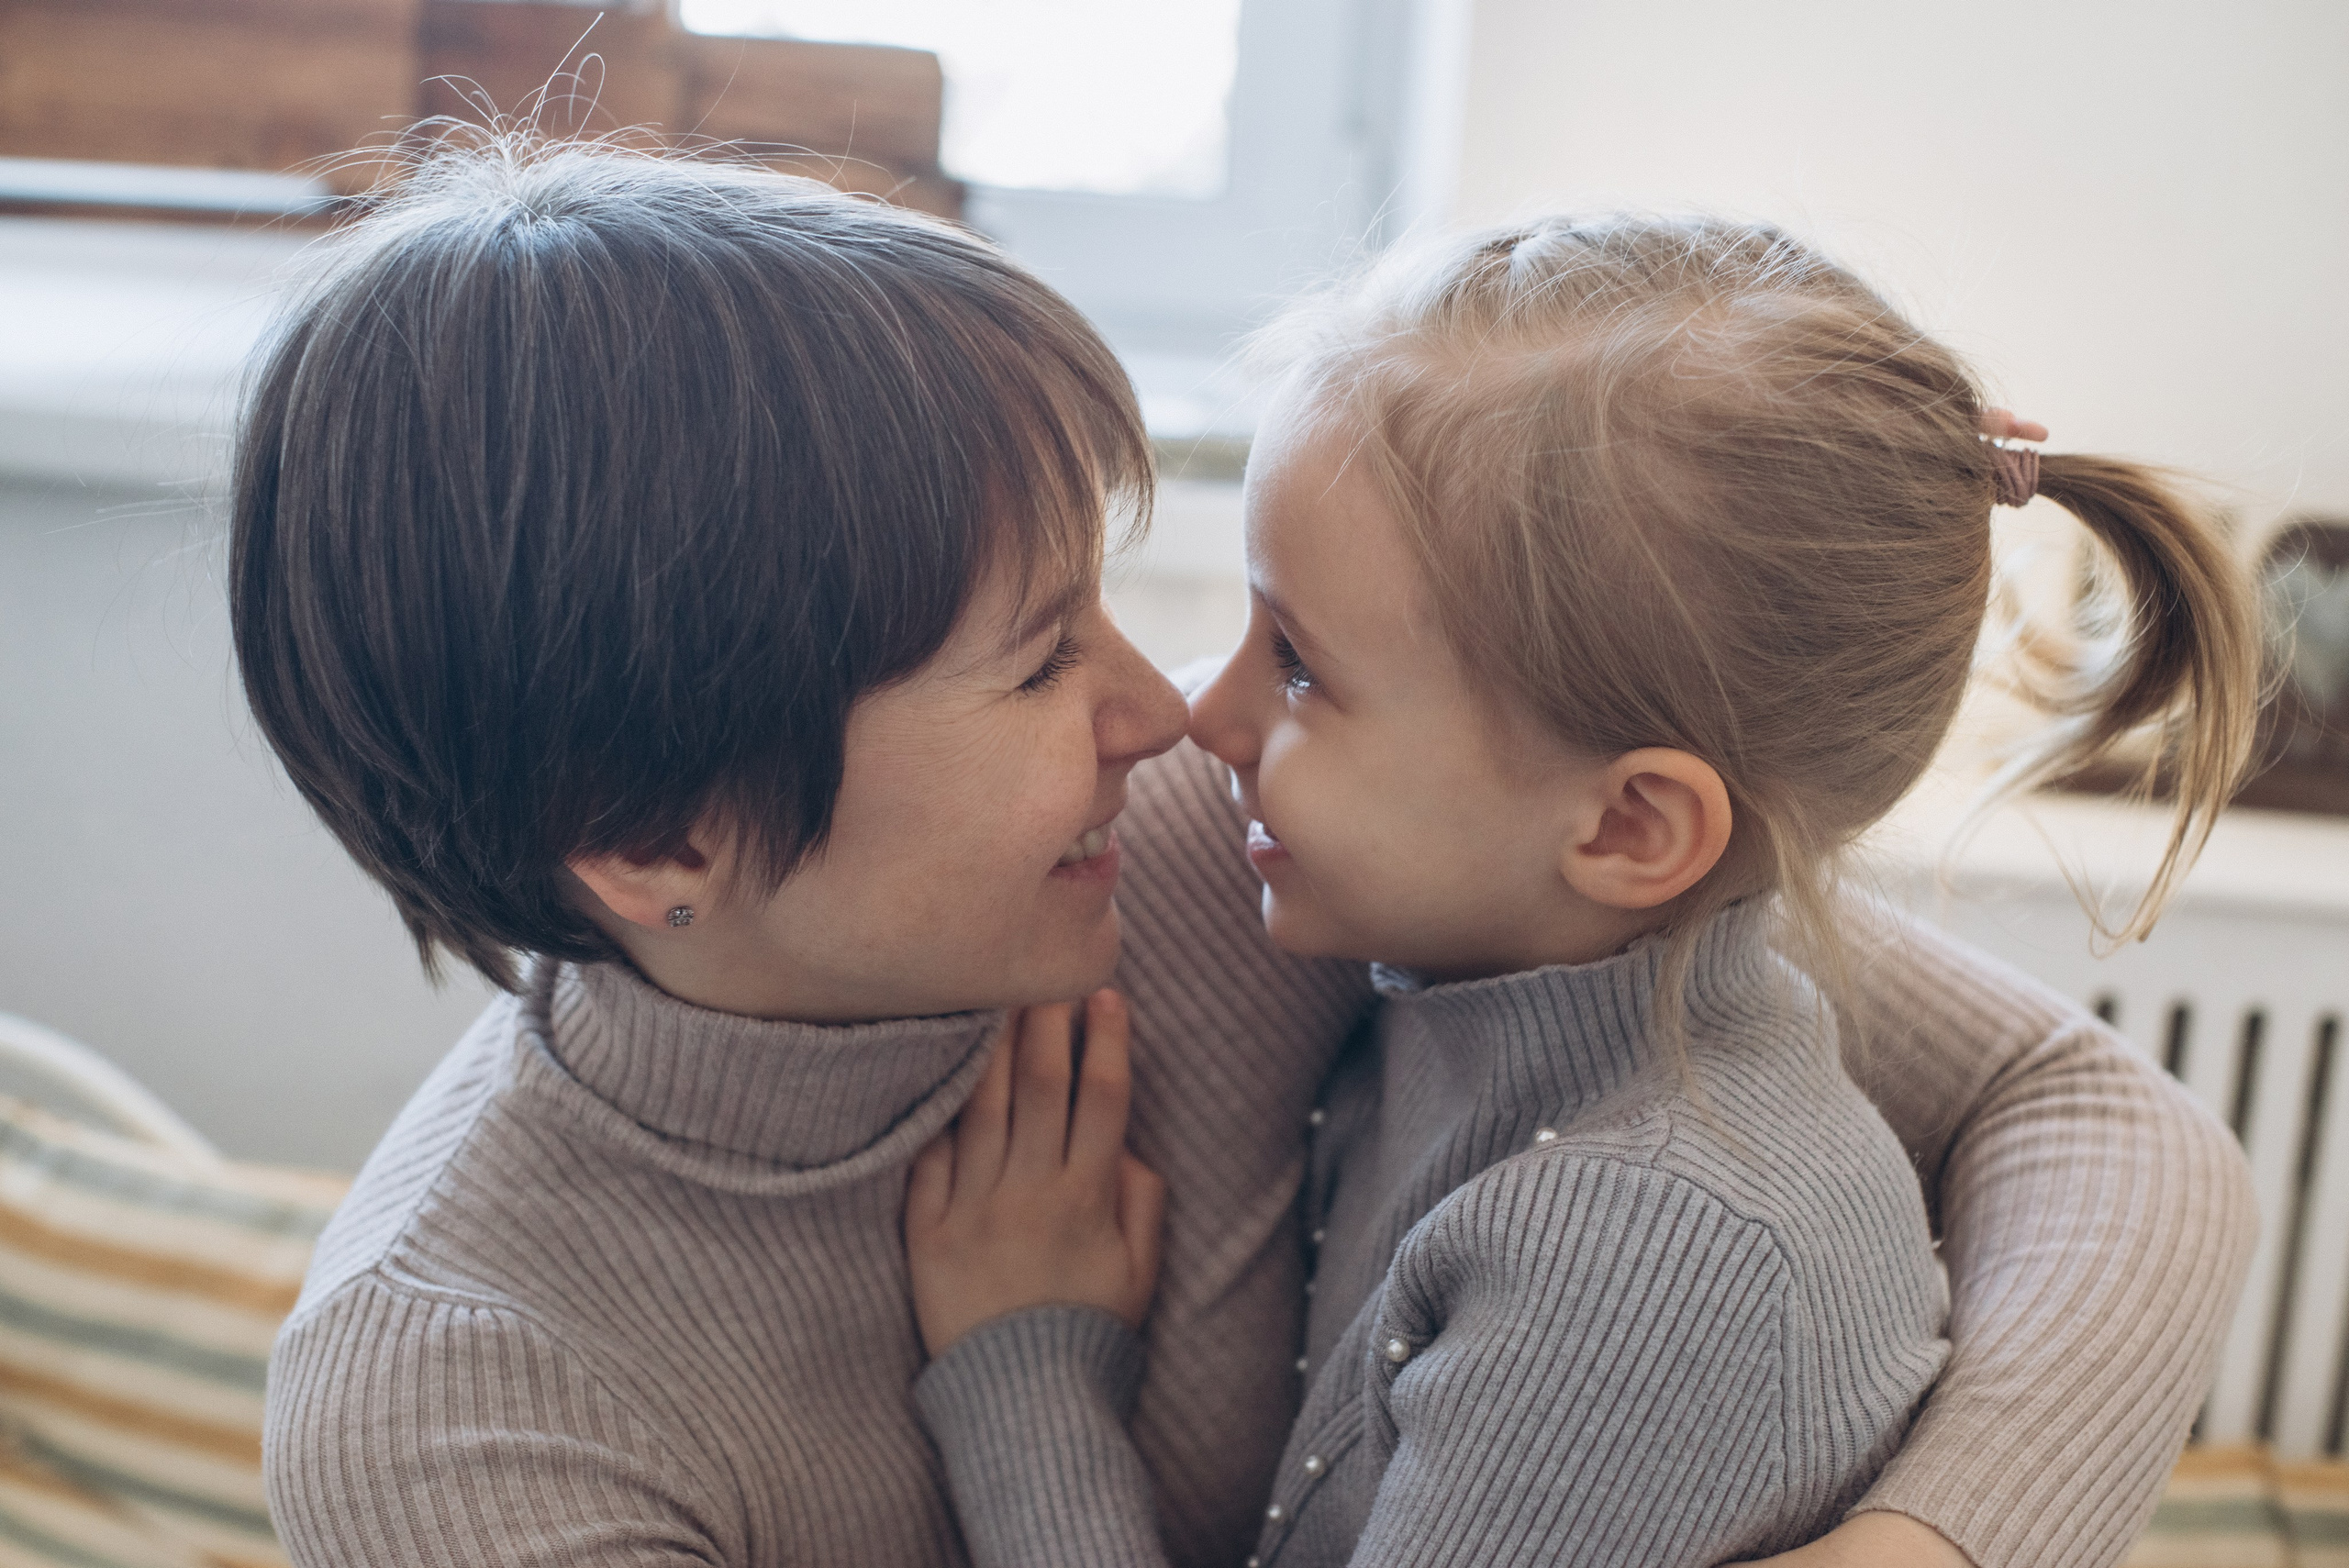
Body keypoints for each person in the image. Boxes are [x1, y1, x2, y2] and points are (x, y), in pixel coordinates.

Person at [242, 142, 2253, 1568]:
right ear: (651, 833)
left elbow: (2080, 1111)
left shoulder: (1247, 851)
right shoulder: (459, 1410)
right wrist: (1028, 1379)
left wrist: (1928, 1544)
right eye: (1038, 660)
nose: (1164, 711)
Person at [900, 217, 2264, 1568]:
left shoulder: (1644, 1255)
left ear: (1628, 825)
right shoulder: (1480, 975)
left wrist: (1028, 1382)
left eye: (1299, 662)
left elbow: (2093, 1110)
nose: (1199, 708)